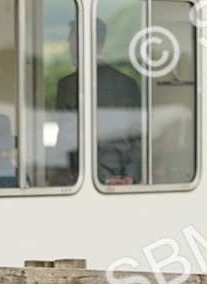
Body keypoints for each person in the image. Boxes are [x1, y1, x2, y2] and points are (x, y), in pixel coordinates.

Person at [55, 19, 142, 186]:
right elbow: (138, 138)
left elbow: (69, 139)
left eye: (70, 41)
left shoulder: (69, 85)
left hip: (86, 183)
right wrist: (130, 176)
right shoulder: (129, 84)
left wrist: (103, 178)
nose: (69, 47)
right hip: (127, 183)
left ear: (81, 41)